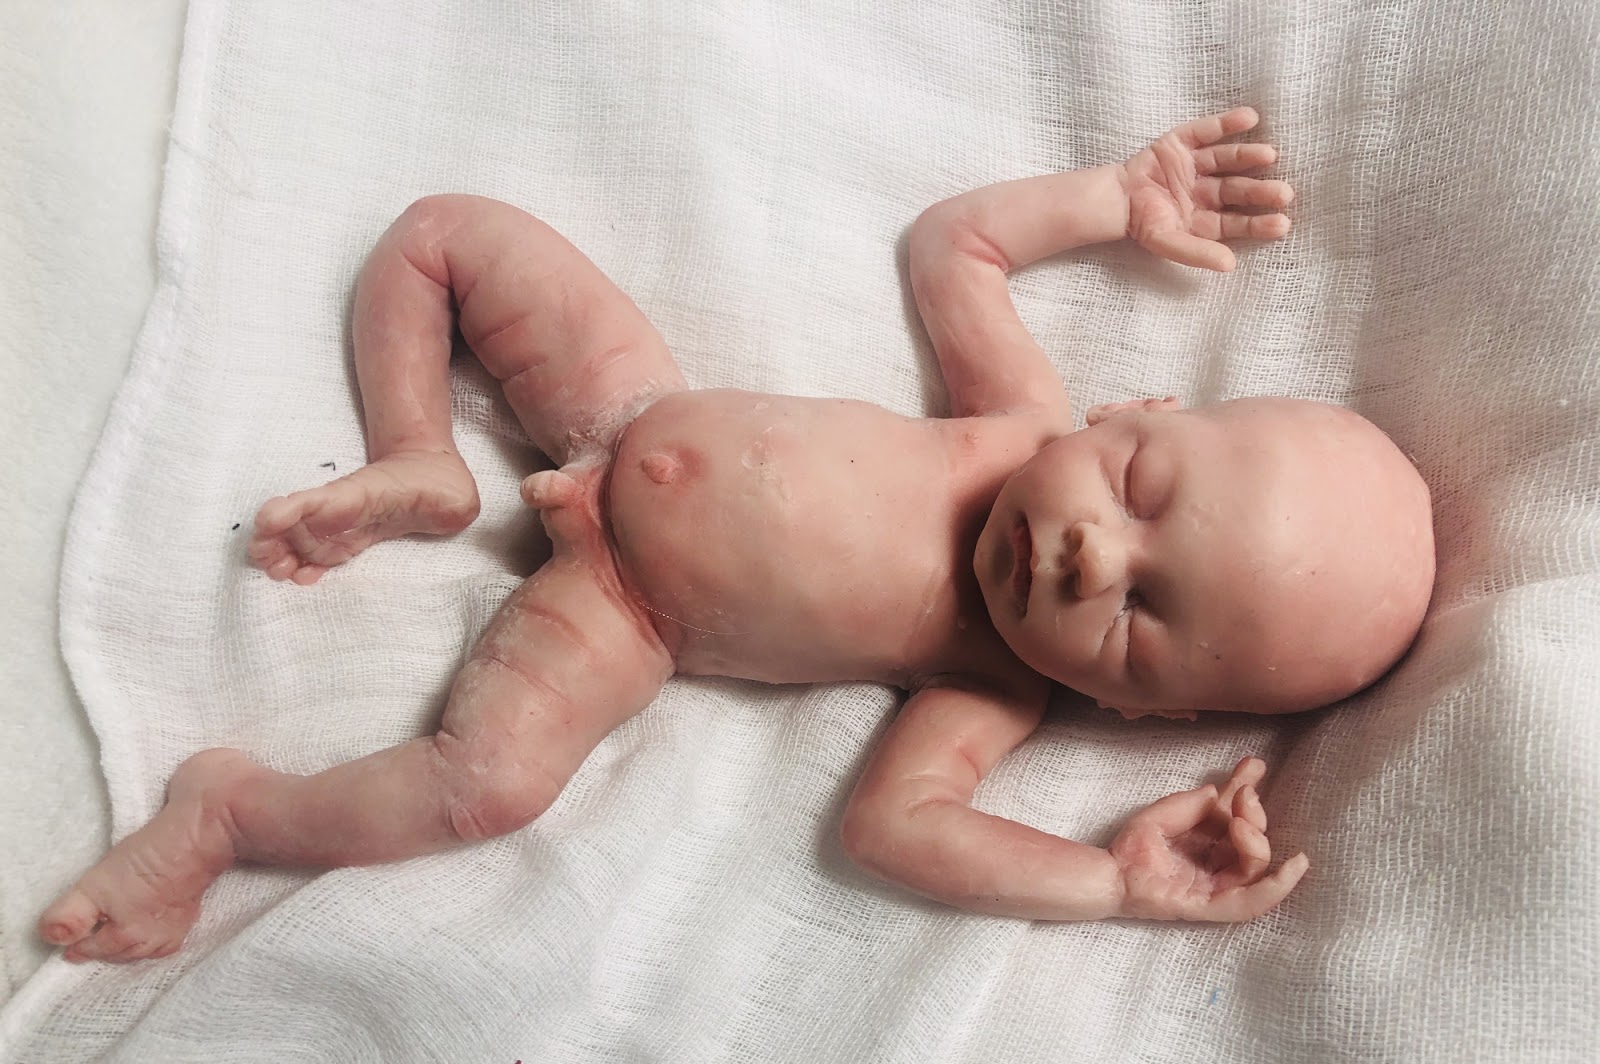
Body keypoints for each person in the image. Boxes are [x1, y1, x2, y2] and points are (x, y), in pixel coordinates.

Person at [40, 108, 1433, 963]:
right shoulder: (1019, 419)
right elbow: (956, 248)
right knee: (446, 234)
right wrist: (1115, 202)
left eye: (1136, 618)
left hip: (628, 619)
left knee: (490, 789)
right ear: (1131, 409)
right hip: (623, 403)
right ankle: (420, 454)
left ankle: (229, 815)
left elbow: (893, 828)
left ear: (1138, 717)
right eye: (1136, 489)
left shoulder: (991, 688)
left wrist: (1109, 882)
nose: (1090, 557)